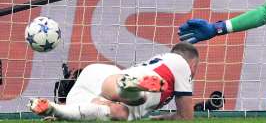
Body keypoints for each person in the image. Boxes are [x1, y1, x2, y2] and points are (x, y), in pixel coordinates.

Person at [29, 42, 199, 121]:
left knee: (114, 111)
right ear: (192, 64)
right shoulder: (181, 64)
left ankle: (55, 110)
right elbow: (185, 117)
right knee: (134, 104)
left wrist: (154, 119)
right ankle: (130, 88)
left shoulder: (161, 60)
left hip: (100, 76)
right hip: (120, 87)